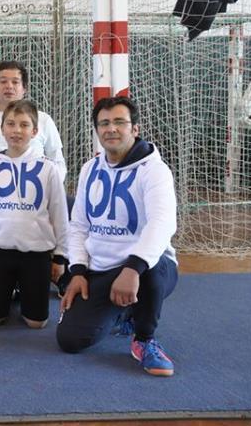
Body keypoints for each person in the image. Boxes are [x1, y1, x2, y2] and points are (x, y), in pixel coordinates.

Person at [57, 97, 178, 377]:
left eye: (119, 122)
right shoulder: (90, 169)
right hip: (101, 268)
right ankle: (125, 311)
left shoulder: (154, 170)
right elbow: (79, 226)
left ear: (135, 128)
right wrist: (77, 271)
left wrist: (133, 268)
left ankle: (144, 339)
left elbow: (162, 223)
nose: (111, 129)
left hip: (142, 269)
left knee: (152, 265)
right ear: (97, 130)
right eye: (104, 123)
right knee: (70, 340)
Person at [0, 100, 69, 329]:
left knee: (36, 323)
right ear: (2, 128)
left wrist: (60, 256)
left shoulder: (48, 169)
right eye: (11, 124)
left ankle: (23, 288)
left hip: (36, 254)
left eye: (24, 125)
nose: (17, 130)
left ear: (35, 131)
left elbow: (60, 215)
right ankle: (10, 289)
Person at [0, 61, 66, 178]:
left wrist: (49, 186)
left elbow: (58, 162)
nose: (9, 86)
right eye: (3, 81)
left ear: (24, 88)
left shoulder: (43, 119)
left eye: (15, 82)